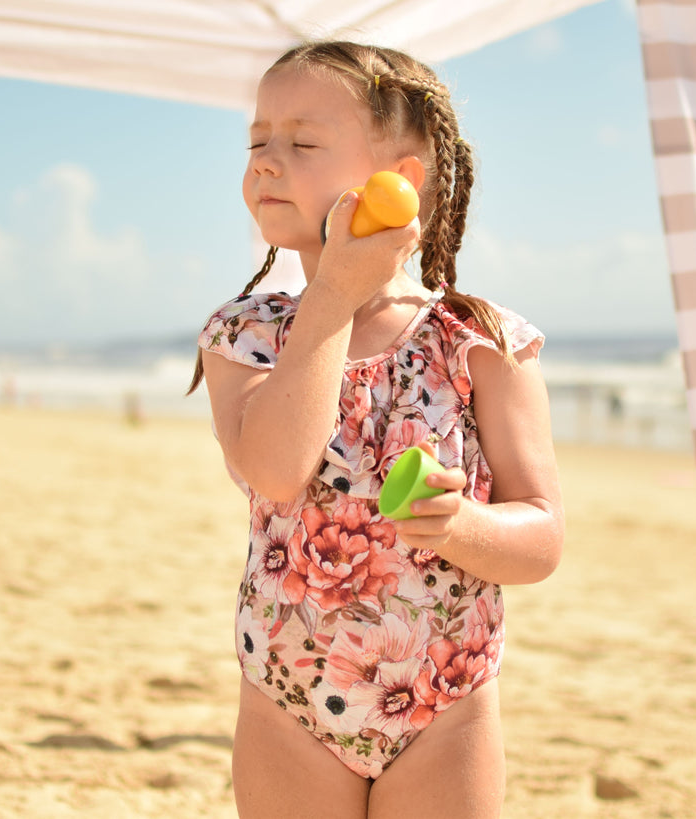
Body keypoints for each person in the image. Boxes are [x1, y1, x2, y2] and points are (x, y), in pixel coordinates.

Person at [191, 41, 564, 818]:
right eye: (257, 140)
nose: (265, 161)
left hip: (444, 701)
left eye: (301, 142)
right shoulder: (248, 334)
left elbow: (541, 537)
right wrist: (331, 294)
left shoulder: (479, 342)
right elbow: (275, 466)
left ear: (401, 180)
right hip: (287, 693)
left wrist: (460, 524)